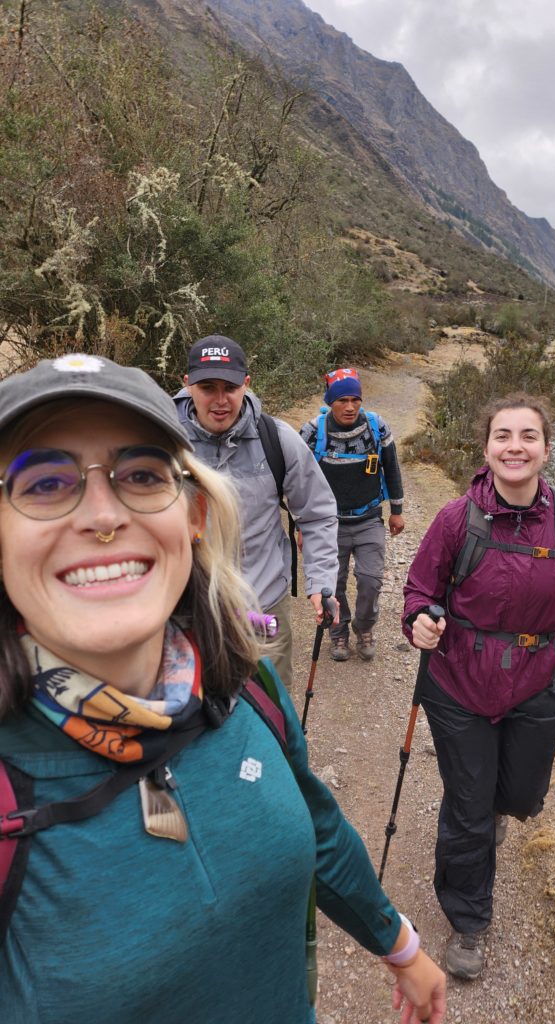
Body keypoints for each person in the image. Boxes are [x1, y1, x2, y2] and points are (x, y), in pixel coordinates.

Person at [0, 353, 446, 1024]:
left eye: (143, 475)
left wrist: (400, 943)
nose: (101, 515)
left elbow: (317, 823)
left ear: (196, 514)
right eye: (42, 483)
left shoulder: (245, 681)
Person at [402, 392, 555, 981]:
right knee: (468, 806)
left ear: (545, 447)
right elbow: (419, 590)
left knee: (519, 799)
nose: (515, 447)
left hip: (538, 684)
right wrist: (420, 619)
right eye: (503, 436)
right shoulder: (455, 518)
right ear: (486, 447)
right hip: (458, 682)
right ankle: (469, 921)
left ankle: (491, 810)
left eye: (528, 436)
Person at [174, 335, 339, 691]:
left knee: (272, 707)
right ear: (187, 386)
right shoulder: (164, 444)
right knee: (190, 713)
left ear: (246, 385)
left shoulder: (277, 440)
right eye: (207, 387)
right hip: (185, 610)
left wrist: (320, 581)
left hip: (263, 605)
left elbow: (317, 512)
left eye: (230, 387)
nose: (220, 400)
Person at [300, 368, 404, 663]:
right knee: (333, 584)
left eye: (355, 399)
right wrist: (302, 526)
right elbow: (300, 482)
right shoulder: (311, 432)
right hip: (327, 524)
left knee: (370, 580)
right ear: (330, 401)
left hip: (369, 517)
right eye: (342, 400)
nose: (349, 407)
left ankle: (364, 627)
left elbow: (392, 468)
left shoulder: (376, 427)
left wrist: (396, 511)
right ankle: (338, 632)